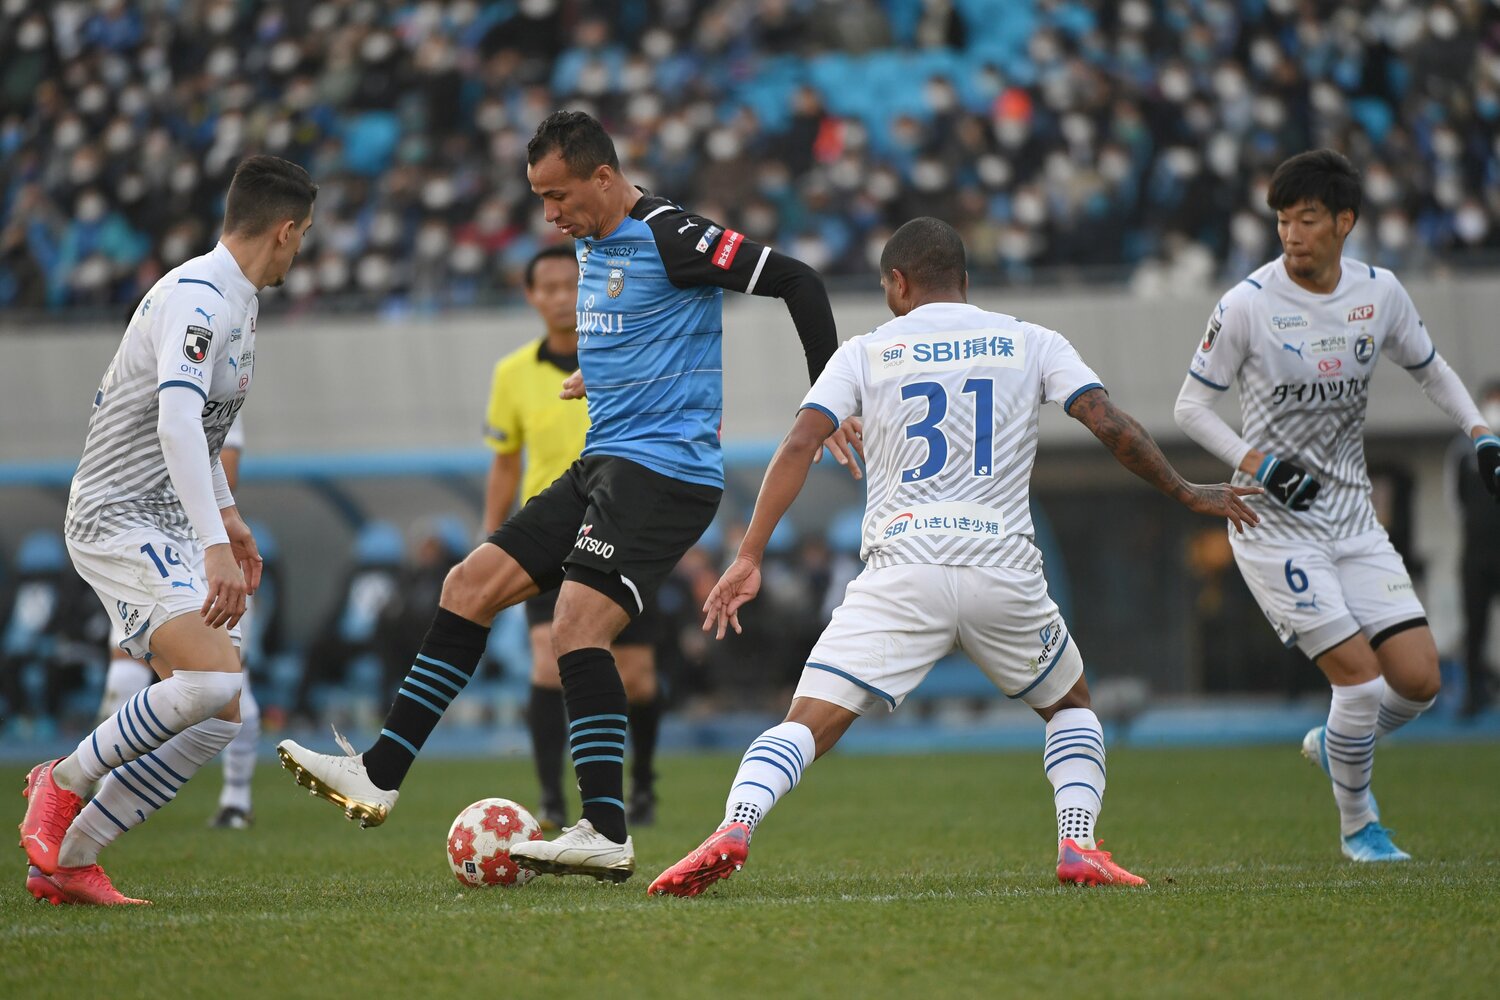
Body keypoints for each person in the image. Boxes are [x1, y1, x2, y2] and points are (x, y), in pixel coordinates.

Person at [277, 110, 858, 884]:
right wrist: (607, 373)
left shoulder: (672, 234)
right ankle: (380, 771)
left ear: (604, 178)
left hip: (666, 474)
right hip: (604, 463)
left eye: (558, 196)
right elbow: (639, 324)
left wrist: (830, 399)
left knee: (576, 627)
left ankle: (606, 827)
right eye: (540, 199)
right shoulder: (591, 242)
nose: (550, 215)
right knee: (468, 584)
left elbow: (798, 279)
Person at [648, 218, 1259, 897]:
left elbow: (798, 445)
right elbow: (1107, 422)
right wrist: (1184, 489)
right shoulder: (1033, 341)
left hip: (902, 571)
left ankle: (735, 824)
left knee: (806, 723)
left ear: (898, 283)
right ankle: (1078, 842)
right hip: (1003, 570)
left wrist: (750, 554)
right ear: (964, 282)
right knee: (1071, 707)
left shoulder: (865, 351)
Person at [1172, 149, 1500, 862]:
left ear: (1344, 222)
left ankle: (1336, 743)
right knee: (1359, 678)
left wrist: (1480, 431)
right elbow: (1190, 406)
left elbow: (1432, 370)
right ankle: (1360, 826)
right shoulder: (1246, 304)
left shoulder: (1379, 295)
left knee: (1418, 682)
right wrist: (1256, 463)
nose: (1291, 234)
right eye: (1283, 221)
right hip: (1272, 523)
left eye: (1308, 219)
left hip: (1351, 517)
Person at [19, 154, 315, 906]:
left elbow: (204, 436)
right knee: (211, 677)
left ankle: (69, 862)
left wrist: (230, 517)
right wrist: (213, 545)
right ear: (285, 231)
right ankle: (60, 781)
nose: (300, 249)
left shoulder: (238, 301)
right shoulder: (200, 298)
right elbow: (175, 420)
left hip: (166, 515)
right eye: (303, 236)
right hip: (116, 514)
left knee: (221, 712)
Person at [484, 245, 663, 830]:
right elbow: (505, 463)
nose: (561, 296)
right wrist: (494, 539)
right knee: (544, 664)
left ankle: (640, 784)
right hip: (549, 531)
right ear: (532, 296)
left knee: (635, 675)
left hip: (623, 526)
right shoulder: (511, 374)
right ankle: (552, 798)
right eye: (549, 287)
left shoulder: (623, 355)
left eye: (570, 284)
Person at [90, 416, 263, 830]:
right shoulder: (136, 390)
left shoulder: (219, 385)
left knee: (229, 689)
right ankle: (90, 787)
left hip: (204, 550)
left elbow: (228, 470)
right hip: (143, 548)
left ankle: (236, 799)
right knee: (123, 674)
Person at [1449, 378, 1500, 716]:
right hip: (1476, 553)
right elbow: (1454, 501)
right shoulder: (1462, 449)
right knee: (1475, 626)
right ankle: (1474, 693)